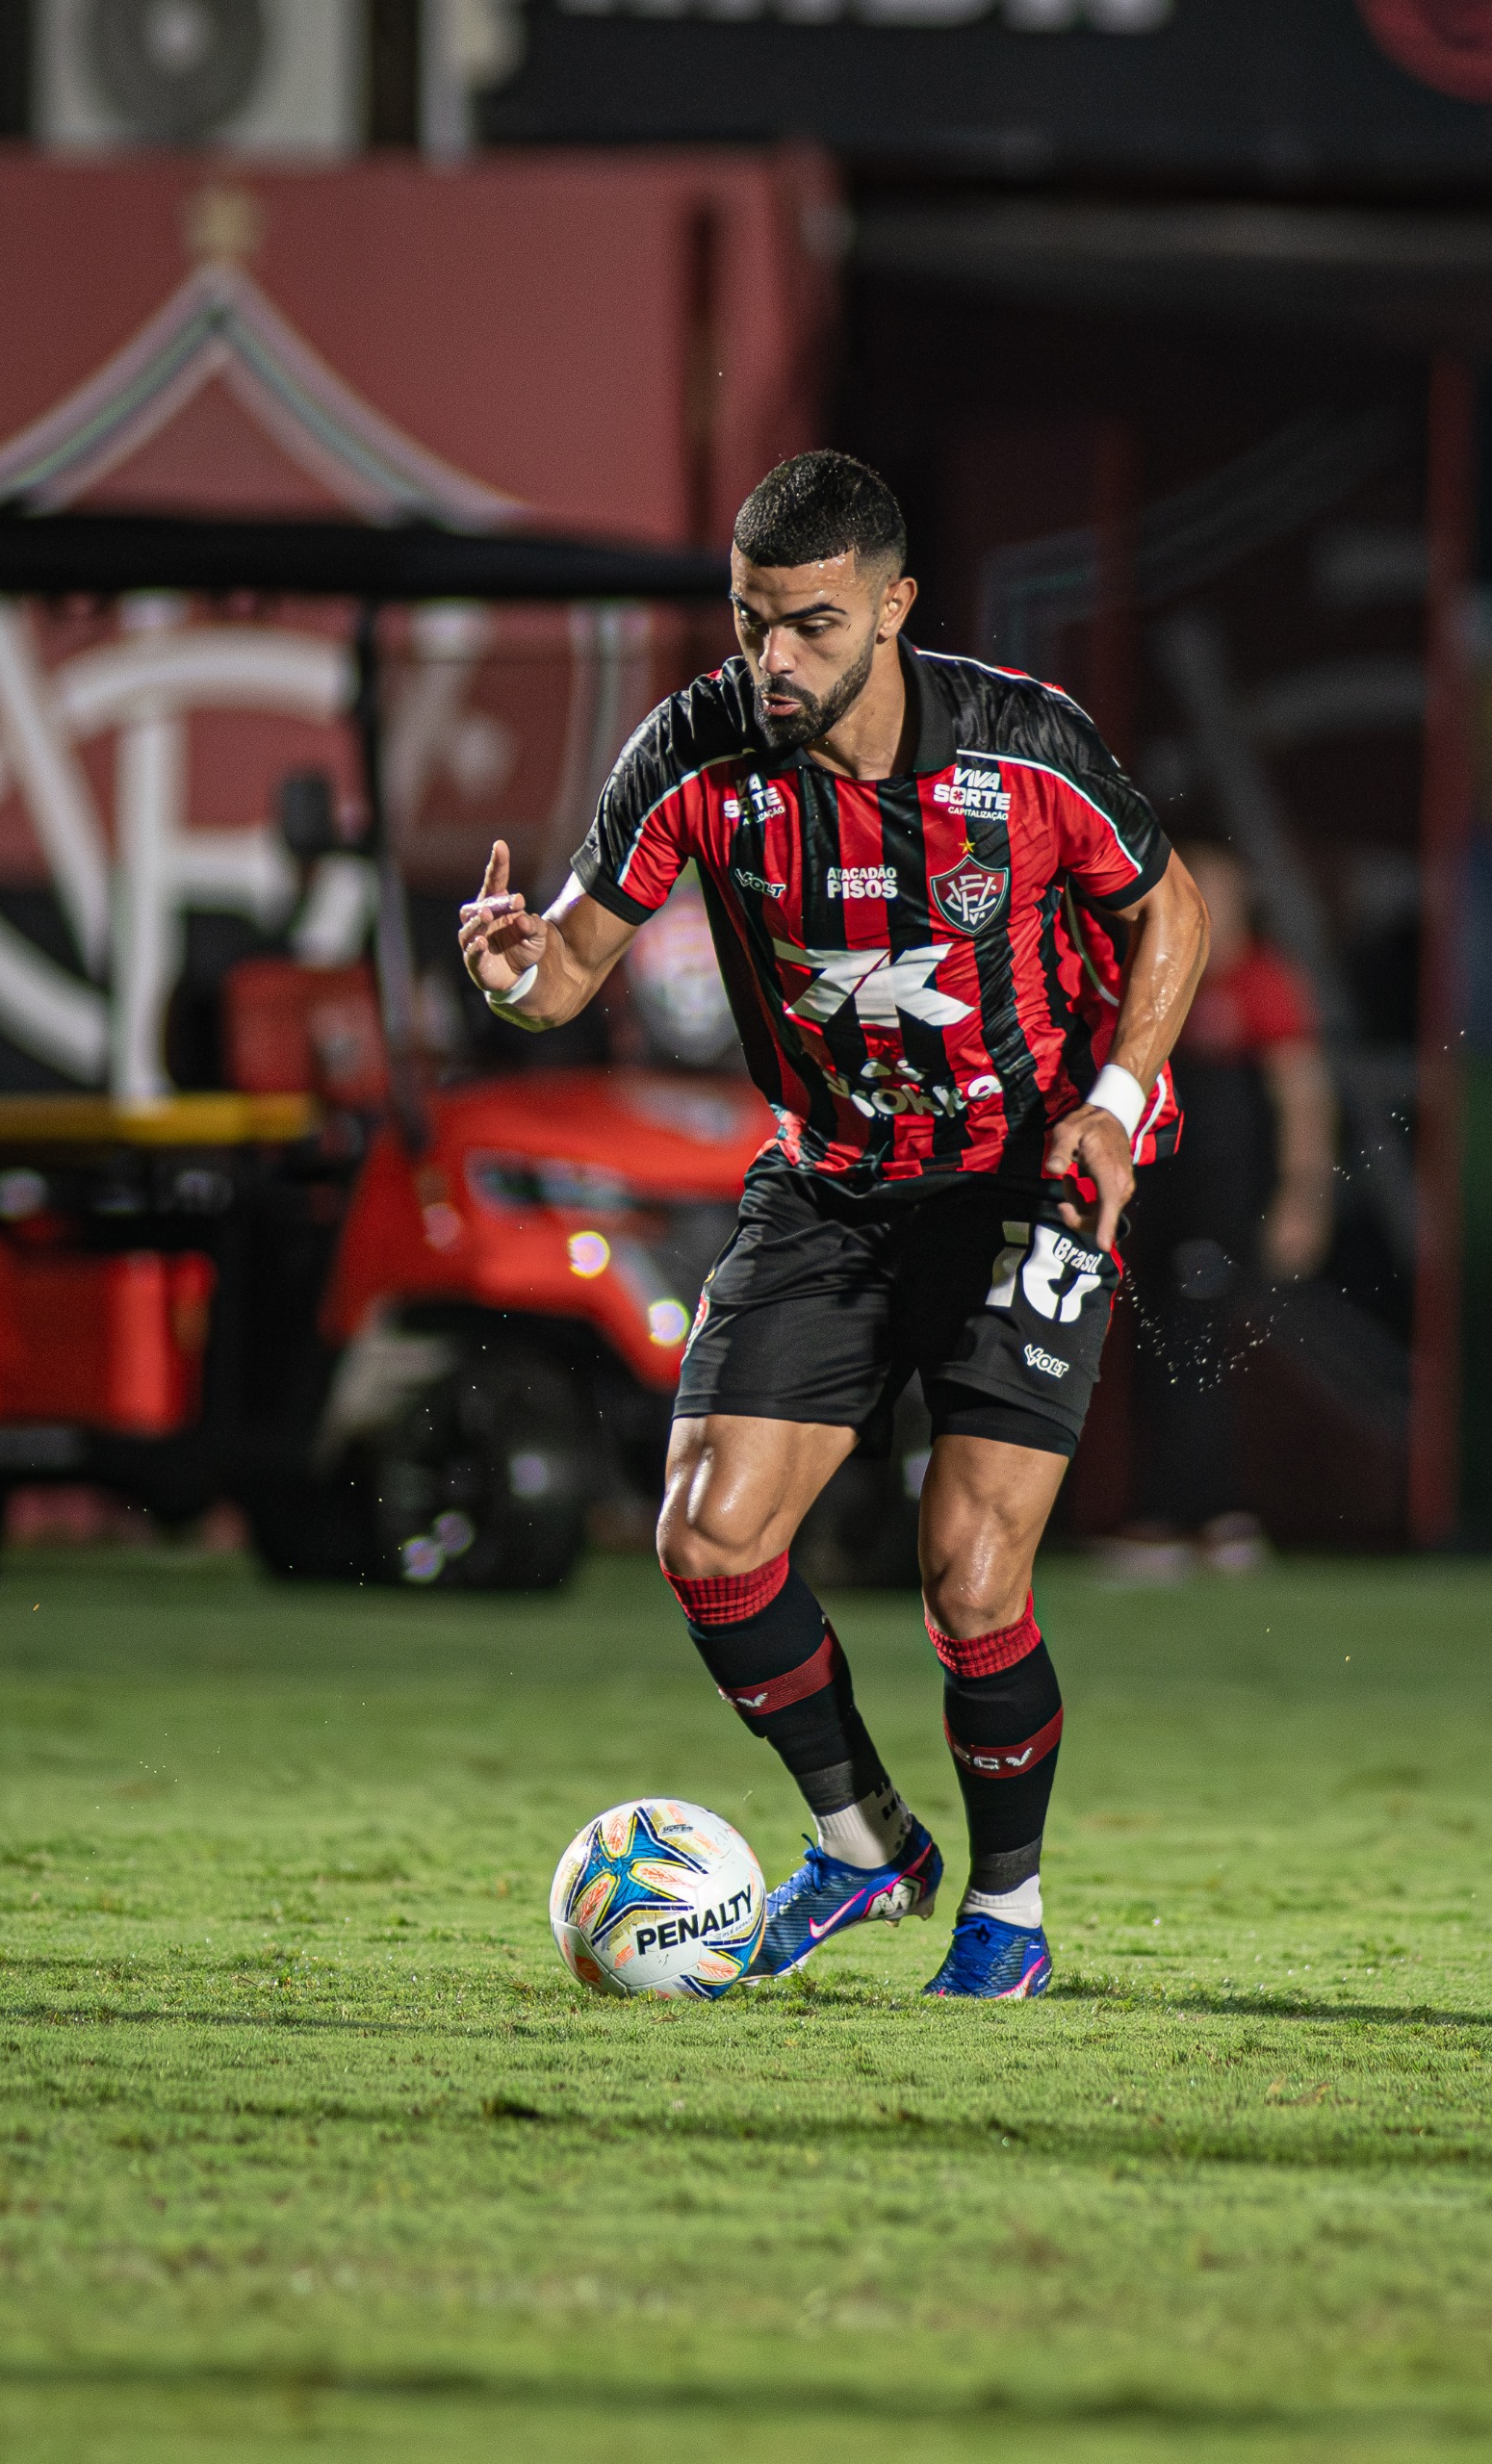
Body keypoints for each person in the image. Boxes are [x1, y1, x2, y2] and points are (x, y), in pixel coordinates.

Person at [459, 451, 1208, 1999]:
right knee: (710, 1541)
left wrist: (1121, 1102)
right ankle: (863, 1842)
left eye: (807, 625)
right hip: (833, 1177)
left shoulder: (1023, 744)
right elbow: (573, 968)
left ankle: (1007, 1911)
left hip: (1027, 1178)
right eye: (750, 625)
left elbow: (1169, 905)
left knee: (968, 1571)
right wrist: (514, 971)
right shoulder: (695, 749)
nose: (773, 661)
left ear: (894, 607)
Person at [1110, 836, 1335, 1576]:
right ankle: (1184, 1514)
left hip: (1221, 1197)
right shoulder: (1149, 981)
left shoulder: (1259, 982)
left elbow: (1302, 1095)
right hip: (1156, 1193)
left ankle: (1199, 1516)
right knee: (1160, 1342)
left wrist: (1303, 1198)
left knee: (1194, 1338)